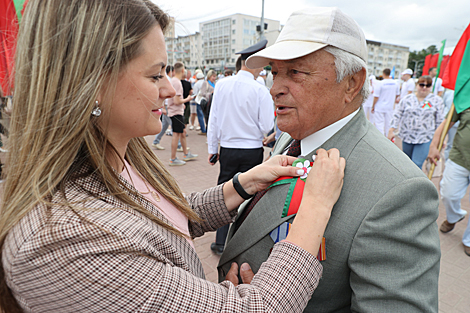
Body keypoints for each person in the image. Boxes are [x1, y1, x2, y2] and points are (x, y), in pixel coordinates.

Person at [0, 1, 348, 312]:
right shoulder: (59, 240)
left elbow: (159, 217)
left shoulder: (116, 155)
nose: (169, 90)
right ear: (91, 84)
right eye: (155, 75)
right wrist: (315, 207)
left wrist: (241, 185)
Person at [218, 7, 441, 313]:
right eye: (275, 71)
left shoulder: (399, 189)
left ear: (351, 83)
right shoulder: (292, 137)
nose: (274, 89)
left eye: (295, 72)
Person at [207, 40, 274, 254]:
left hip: (227, 148)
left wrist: (212, 149)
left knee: (223, 193)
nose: (263, 69)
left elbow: (213, 119)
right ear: (252, 63)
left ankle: (220, 242)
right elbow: (266, 126)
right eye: (261, 64)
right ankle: (240, 244)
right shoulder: (260, 90)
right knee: (249, 193)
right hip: (252, 149)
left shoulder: (222, 85)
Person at [428, 102, 470, 256]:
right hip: (459, 158)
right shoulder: (465, 97)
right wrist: (434, 146)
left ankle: (469, 241)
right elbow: (446, 123)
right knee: (448, 194)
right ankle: (454, 216)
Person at [388, 76, 444, 169]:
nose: (424, 88)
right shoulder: (407, 99)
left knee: (416, 164)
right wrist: (391, 130)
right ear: (417, 85)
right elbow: (397, 114)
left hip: (425, 137)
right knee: (407, 162)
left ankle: (416, 182)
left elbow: (440, 121)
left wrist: (439, 139)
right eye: (422, 85)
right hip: (407, 136)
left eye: (428, 85)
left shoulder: (437, 101)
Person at [167, 62, 197, 166]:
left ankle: (185, 154)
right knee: (176, 134)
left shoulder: (174, 81)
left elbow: (174, 100)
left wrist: (181, 103)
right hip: (176, 112)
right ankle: (173, 158)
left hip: (176, 111)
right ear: (183, 70)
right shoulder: (177, 82)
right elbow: (176, 101)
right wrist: (187, 99)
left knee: (182, 132)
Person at [371, 68, 400, 135]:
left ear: (383, 74)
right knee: (389, 123)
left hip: (379, 106)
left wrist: (373, 106)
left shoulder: (380, 83)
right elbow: (397, 94)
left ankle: (380, 139)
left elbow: (376, 96)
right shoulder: (395, 83)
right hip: (389, 107)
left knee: (379, 124)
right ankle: (388, 138)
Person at [152, 65, 173, 150]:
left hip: (167, 106)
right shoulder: (167, 78)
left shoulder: (168, 78)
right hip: (167, 106)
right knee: (174, 126)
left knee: (165, 125)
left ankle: (156, 141)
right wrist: (163, 108)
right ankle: (179, 145)